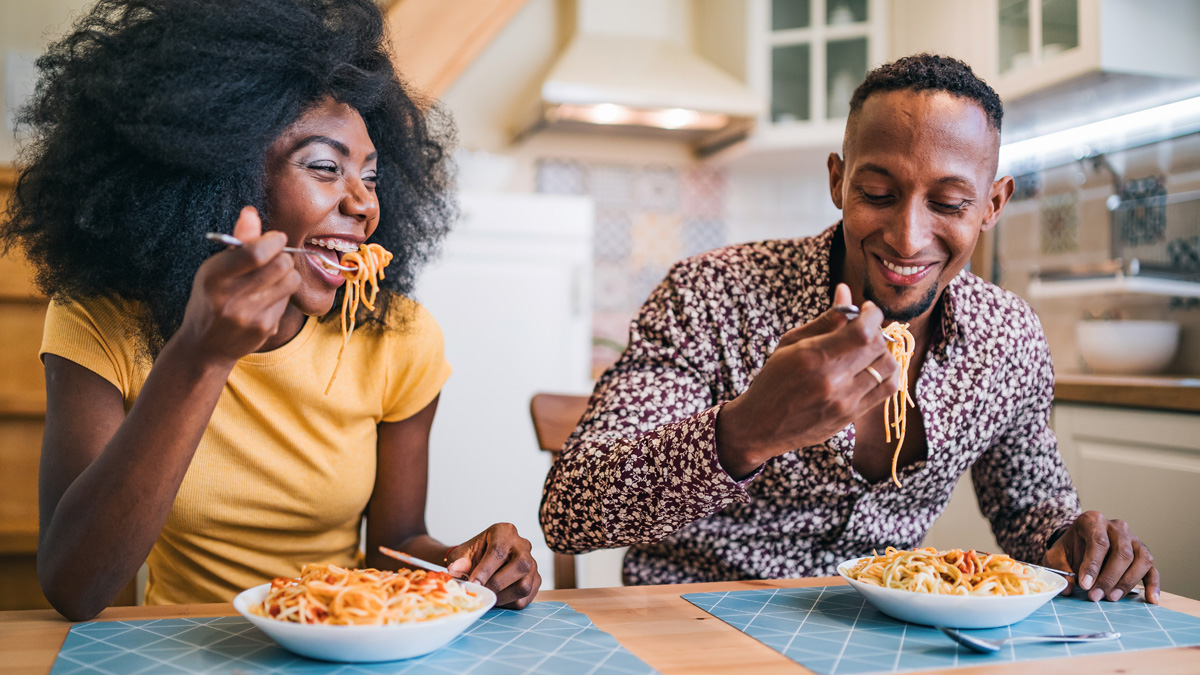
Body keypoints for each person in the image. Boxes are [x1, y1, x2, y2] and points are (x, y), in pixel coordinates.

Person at [540, 54, 1159, 604]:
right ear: (838, 179)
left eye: (948, 203)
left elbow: (1027, 505)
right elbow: (571, 512)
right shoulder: (711, 295)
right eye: (877, 192)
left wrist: (1071, 540)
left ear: (993, 204)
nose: (907, 237)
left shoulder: (1009, 337)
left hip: (890, 636)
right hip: (696, 622)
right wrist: (745, 430)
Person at [3, 0, 539, 621]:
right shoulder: (101, 320)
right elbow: (74, 585)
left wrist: (465, 565)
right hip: (178, 642)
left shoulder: (399, 337)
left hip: (339, 636)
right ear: (222, 179)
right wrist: (201, 353)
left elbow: (398, 541)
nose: (364, 205)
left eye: (371, 176)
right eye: (323, 167)